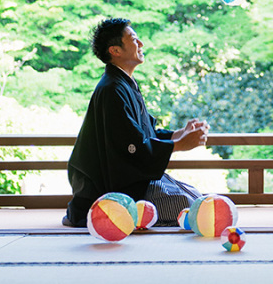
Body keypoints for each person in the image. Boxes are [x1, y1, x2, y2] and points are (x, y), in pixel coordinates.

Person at [63, 18, 209, 227]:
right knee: (194, 209)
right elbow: (130, 148)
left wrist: (179, 134)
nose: (141, 44)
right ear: (115, 50)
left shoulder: (123, 84)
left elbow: (143, 134)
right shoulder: (112, 89)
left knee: (197, 198)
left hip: (136, 180)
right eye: (133, 39)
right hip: (117, 190)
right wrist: (178, 145)